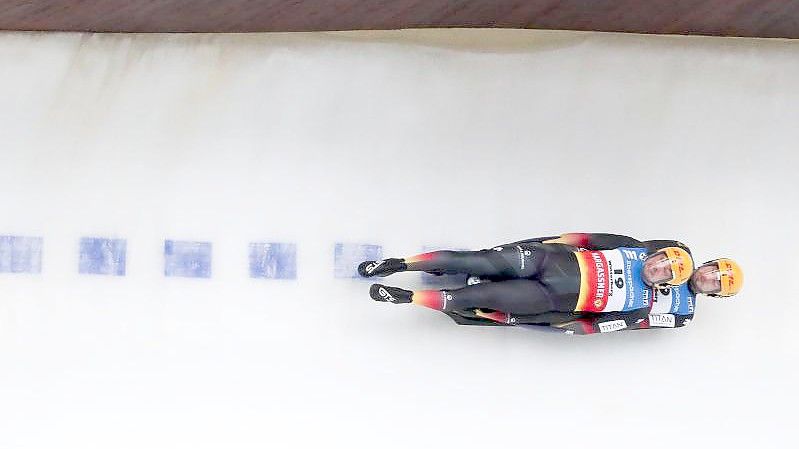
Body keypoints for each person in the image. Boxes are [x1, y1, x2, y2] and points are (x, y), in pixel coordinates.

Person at [358, 233, 696, 331]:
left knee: (478, 296)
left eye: (666, 271)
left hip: (547, 296)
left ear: (664, 285)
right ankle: (398, 264)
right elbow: (582, 238)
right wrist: (543, 242)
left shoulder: (638, 309)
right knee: (475, 260)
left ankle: (407, 297)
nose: (658, 266)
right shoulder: (632, 246)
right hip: (548, 259)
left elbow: (587, 327)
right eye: (661, 259)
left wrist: (526, 321)